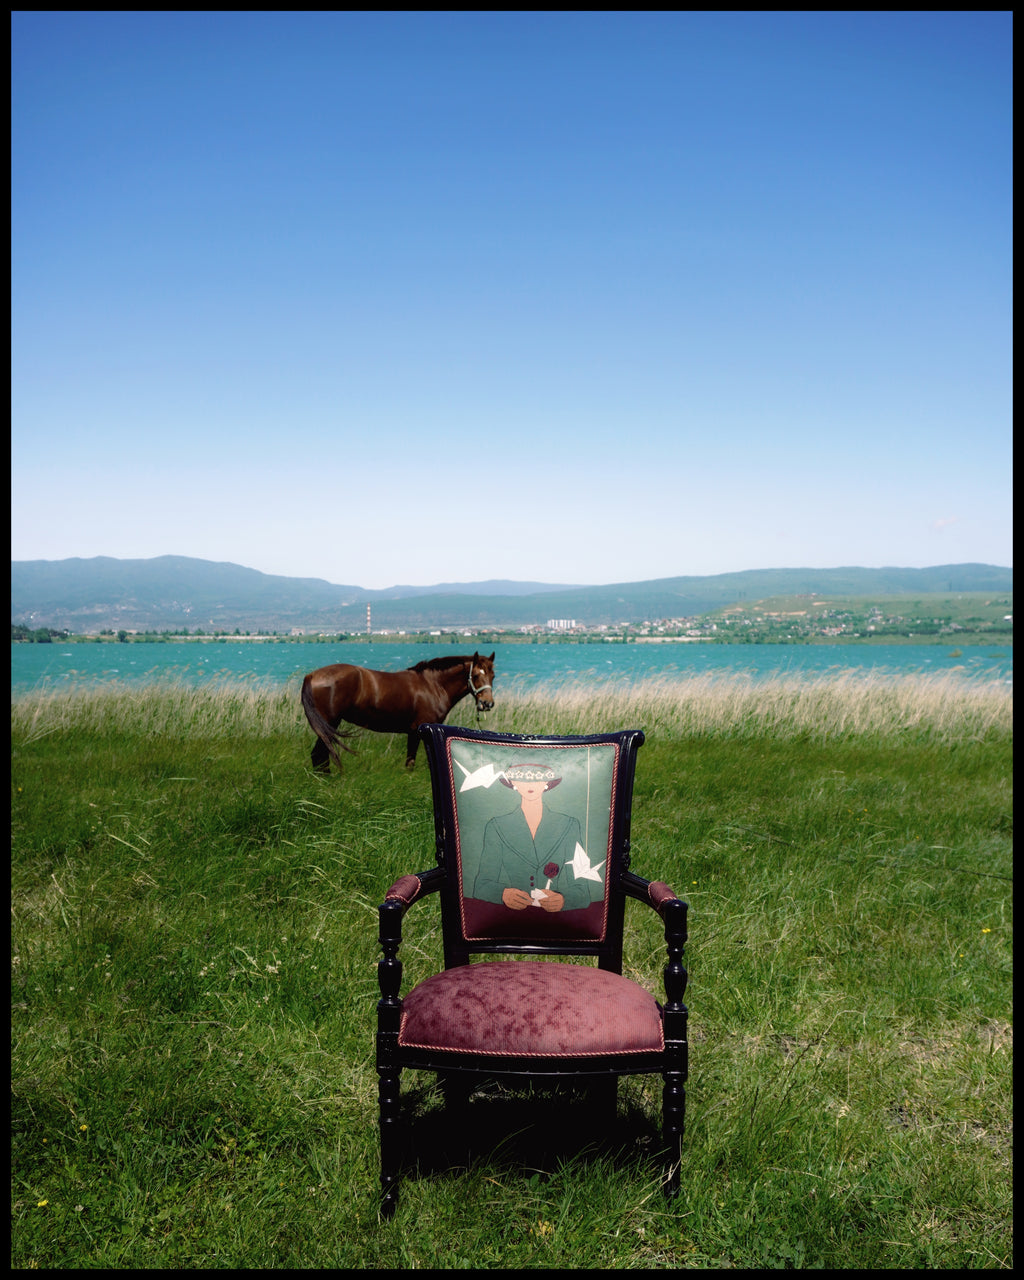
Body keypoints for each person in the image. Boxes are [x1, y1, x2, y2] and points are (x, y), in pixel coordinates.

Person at [471, 761, 593, 912]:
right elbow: (481, 886)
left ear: (547, 782)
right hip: (511, 916)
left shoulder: (569, 825)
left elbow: (582, 891)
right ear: (513, 782)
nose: (530, 784)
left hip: (555, 918)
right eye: (522, 777)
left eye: (538, 777)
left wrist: (563, 899)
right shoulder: (496, 826)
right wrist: (503, 894)